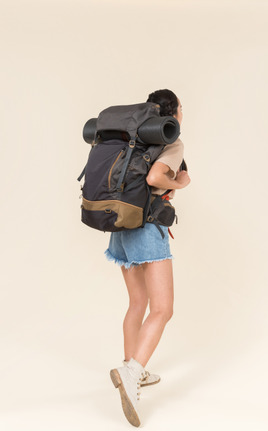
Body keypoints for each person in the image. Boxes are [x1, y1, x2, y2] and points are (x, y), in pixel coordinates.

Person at [105, 89, 191, 427]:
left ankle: (131, 367)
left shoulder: (135, 136)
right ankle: (132, 373)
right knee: (163, 308)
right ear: (174, 113)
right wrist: (179, 181)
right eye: (182, 108)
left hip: (121, 223)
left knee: (137, 302)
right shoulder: (172, 142)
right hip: (147, 226)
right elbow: (156, 177)